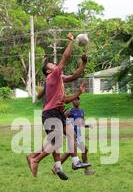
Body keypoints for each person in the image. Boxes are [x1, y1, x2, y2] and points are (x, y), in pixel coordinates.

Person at [27, 33, 89, 181]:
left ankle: (74, 162)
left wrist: (83, 64)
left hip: (59, 112)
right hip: (50, 113)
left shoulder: (58, 78)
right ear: (49, 71)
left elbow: (74, 76)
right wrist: (71, 42)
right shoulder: (52, 75)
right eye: (51, 65)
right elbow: (64, 58)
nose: (54, 65)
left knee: (71, 136)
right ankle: (36, 160)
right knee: (56, 142)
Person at [59, 97, 95, 176]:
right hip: (72, 134)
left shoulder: (81, 111)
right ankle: (86, 170)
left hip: (78, 134)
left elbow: (82, 122)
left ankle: (56, 167)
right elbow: (62, 120)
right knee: (84, 150)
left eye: (78, 99)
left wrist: (87, 125)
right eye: (74, 100)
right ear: (72, 102)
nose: (76, 101)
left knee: (70, 152)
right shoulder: (70, 111)